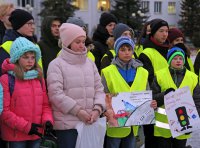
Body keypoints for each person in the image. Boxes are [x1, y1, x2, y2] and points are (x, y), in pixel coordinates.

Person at [47, 23, 105, 148]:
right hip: (67, 125)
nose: (81, 45)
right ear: (67, 43)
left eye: (83, 41)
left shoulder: (90, 63)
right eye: (77, 42)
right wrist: (78, 111)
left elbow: (99, 89)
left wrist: (97, 109)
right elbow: (55, 94)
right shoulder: (56, 65)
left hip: (90, 121)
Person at [101, 36, 157, 148]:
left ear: (133, 50)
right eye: (122, 50)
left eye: (129, 49)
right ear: (117, 52)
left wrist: (151, 104)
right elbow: (102, 94)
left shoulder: (143, 72)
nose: (127, 53)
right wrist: (106, 108)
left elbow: (146, 94)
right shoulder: (107, 72)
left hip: (134, 123)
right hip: (115, 123)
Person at [0, 37, 54, 148]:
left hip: (37, 133)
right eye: (25, 57)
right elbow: (4, 111)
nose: (30, 61)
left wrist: (47, 121)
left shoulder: (39, 79)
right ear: (17, 58)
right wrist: (27, 127)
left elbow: (45, 105)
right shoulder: (6, 79)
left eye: (33, 57)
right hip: (16, 136)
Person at [151, 46, 200, 148]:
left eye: (180, 58)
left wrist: (194, 121)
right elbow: (153, 97)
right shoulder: (160, 75)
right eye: (174, 58)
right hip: (163, 126)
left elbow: (197, 100)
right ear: (169, 60)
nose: (178, 61)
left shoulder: (193, 78)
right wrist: (164, 94)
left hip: (184, 124)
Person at [139, 18, 170, 148]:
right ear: (153, 33)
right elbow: (148, 82)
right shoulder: (146, 53)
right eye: (161, 31)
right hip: (154, 105)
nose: (165, 34)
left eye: (167, 31)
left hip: (170, 104)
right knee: (153, 141)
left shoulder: (169, 50)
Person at [0, 9, 42, 75]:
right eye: (29, 24)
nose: (33, 27)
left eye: (33, 24)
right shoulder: (7, 46)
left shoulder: (35, 45)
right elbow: (4, 74)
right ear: (19, 25)